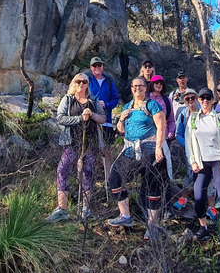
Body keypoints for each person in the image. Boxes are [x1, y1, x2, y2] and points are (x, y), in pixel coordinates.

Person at [107, 77, 168, 240]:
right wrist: (121, 118)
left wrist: (158, 148)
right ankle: (125, 215)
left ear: (145, 87)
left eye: (140, 85)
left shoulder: (152, 105)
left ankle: (152, 224)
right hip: (130, 151)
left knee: (151, 186)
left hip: (150, 151)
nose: (137, 88)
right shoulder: (128, 106)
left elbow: (161, 126)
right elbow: (120, 130)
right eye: (134, 86)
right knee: (115, 178)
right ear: (132, 88)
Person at [47, 73, 107, 222]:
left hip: (91, 143)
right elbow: (60, 118)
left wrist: (91, 114)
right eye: (78, 81)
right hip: (72, 143)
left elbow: (103, 118)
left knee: (88, 172)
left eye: (84, 81)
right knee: (63, 169)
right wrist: (80, 118)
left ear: (87, 84)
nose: (81, 84)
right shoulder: (67, 100)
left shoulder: (93, 100)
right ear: (74, 83)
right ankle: (62, 208)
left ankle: (85, 208)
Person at [185, 88, 220, 246]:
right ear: (198, 100)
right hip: (201, 163)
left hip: (219, 162)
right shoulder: (193, 119)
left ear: (213, 100)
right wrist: (192, 161)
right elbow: (189, 143)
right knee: (199, 197)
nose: (205, 101)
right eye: (202, 98)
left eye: (208, 98)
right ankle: (203, 226)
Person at [173, 89, 218, 219]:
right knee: (190, 174)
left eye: (193, 98)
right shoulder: (182, 114)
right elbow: (179, 134)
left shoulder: (204, 111)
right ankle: (184, 198)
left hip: (208, 152)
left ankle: (211, 206)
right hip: (192, 153)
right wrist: (188, 146)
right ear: (184, 101)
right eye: (188, 99)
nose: (191, 101)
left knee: (211, 178)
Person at [87, 56, 120, 178]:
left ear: (102, 67)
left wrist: (106, 104)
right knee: (91, 150)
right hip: (92, 122)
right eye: (94, 66)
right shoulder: (88, 81)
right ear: (91, 68)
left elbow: (115, 99)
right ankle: (90, 178)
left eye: (99, 65)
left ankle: (109, 179)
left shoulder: (109, 82)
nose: (97, 68)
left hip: (107, 121)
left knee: (107, 151)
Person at [149, 75, 176, 144]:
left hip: (163, 137)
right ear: (152, 84)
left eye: (161, 83)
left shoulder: (167, 100)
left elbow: (171, 120)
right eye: (156, 83)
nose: (159, 85)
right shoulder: (145, 99)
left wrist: (171, 133)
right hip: (147, 137)